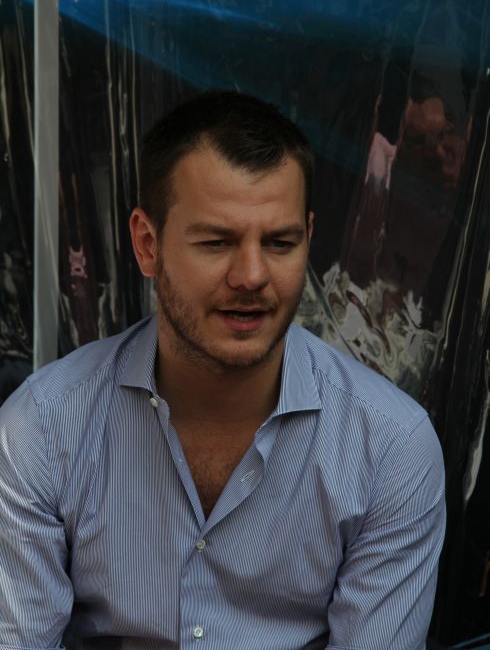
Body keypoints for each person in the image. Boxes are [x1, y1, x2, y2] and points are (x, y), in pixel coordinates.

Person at [0, 91, 445, 650]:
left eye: (280, 242)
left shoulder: (391, 450)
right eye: (217, 242)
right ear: (147, 244)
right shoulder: (42, 429)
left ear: (309, 238)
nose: (252, 275)